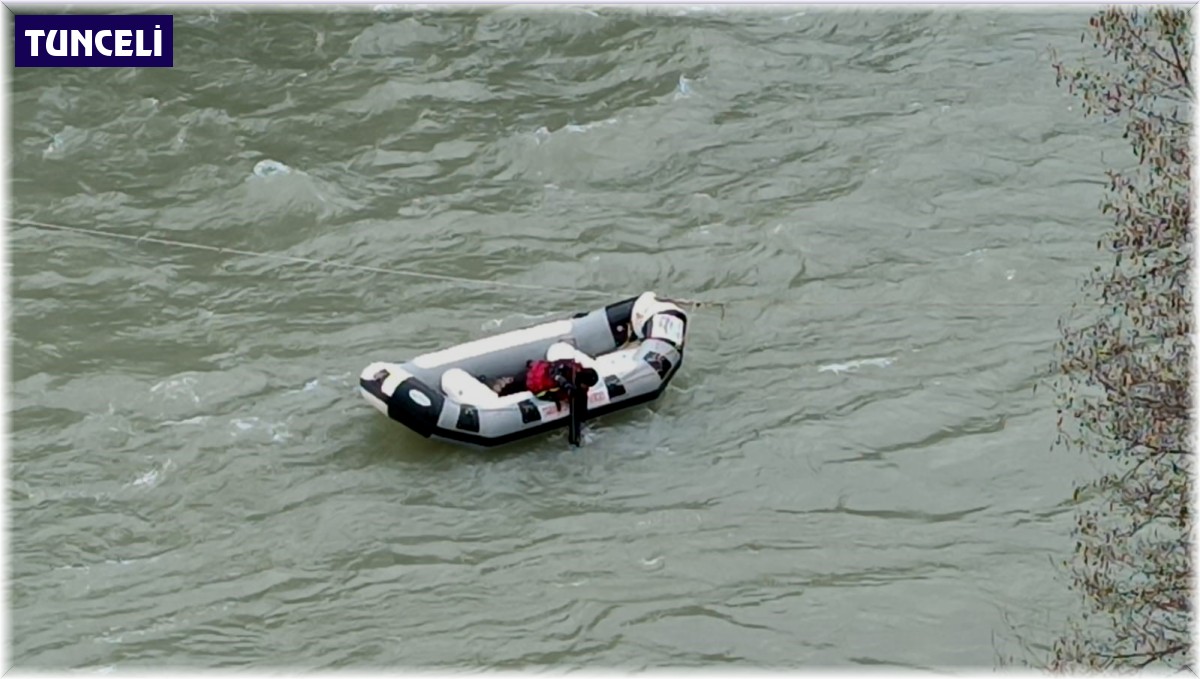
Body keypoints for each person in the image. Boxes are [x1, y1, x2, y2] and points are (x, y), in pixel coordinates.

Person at [494, 358, 599, 400]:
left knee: (515, 382)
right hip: (531, 381)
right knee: (507, 390)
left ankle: (503, 385)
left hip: (535, 372)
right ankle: (498, 391)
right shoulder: (567, 376)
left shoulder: (575, 369)